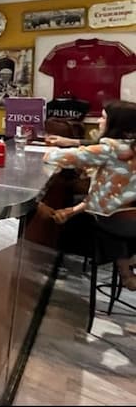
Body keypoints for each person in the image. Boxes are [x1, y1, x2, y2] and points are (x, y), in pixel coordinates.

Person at [43, 101, 136, 287]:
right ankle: (127, 269)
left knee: (86, 223)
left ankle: (54, 266)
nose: (99, 121)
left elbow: (55, 157)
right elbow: (110, 195)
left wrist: (52, 150)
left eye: (103, 117)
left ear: (115, 124)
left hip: (116, 221)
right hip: (130, 216)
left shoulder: (109, 149)